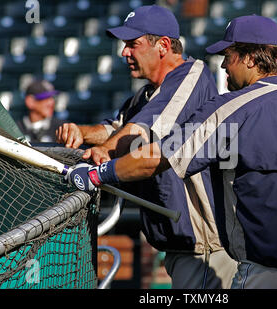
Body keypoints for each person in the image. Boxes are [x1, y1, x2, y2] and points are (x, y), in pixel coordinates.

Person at [64, 15, 277, 289]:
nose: (224, 67)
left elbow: (157, 156)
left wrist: (98, 175)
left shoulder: (233, 109)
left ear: (252, 58)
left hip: (272, 264)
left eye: (229, 57)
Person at [56, 5, 237, 289]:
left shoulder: (192, 74)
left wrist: (107, 152)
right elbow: (116, 128)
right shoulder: (146, 93)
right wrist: (82, 132)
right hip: (182, 245)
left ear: (163, 45)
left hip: (208, 247)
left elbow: (141, 130)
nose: (124, 52)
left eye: (133, 44)